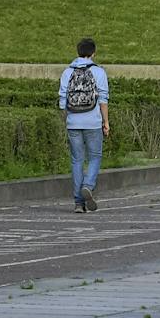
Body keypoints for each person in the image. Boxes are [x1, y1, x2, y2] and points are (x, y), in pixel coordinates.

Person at [59, 36, 110, 212]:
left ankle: (78, 203)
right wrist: (106, 122)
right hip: (93, 122)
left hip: (73, 122)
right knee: (95, 157)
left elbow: (62, 101)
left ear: (78, 52)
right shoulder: (99, 72)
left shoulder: (67, 72)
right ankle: (88, 185)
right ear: (93, 53)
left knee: (77, 161)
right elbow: (103, 100)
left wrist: (68, 119)